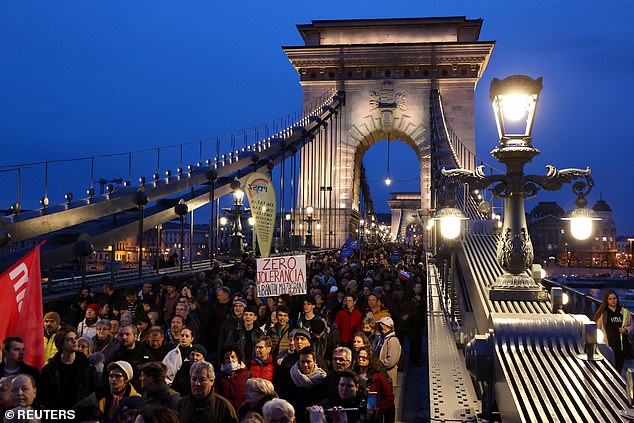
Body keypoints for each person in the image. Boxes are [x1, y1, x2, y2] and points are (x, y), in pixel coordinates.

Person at [39, 327, 100, 409]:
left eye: (75, 338)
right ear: (61, 344)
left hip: (81, 414)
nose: (74, 341)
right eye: (69, 339)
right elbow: (45, 397)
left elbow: (94, 392)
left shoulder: (87, 367)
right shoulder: (49, 370)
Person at [594, 289, 634, 372]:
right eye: (610, 299)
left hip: (622, 345)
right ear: (606, 300)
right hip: (608, 344)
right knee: (608, 367)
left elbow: (631, 325)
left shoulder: (624, 312)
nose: (613, 301)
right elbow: (597, 327)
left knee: (619, 367)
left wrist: (626, 330)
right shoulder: (603, 313)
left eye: (614, 298)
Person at [287, 347, 328, 423]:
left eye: (308, 362)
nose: (305, 365)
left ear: (314, 361)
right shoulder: (291, 376)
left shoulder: (322, 378)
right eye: (302, 362)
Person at [355, 347, 394, 423]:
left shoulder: (377, 377)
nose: (360, 359)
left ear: (369, 359)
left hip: (373, 417)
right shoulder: (354, 375)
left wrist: (377, 408)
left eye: (364, 358)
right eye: (359, 357)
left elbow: (389, 398)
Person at [216, 345, 248, 412]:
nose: (230, 360)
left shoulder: (246, 375)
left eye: (233, 357)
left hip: (243, 412)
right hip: (225, 412)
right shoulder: (219, 377)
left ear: (238, 358)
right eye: (227, 358)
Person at [374, 317, 401, 387]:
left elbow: (391, 361)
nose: (379, 326)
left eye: (380, 324)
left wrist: (377, 365)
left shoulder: (393, 340)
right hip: (380, 375)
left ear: (384, 325)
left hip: (387, 378)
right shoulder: (381, 338)